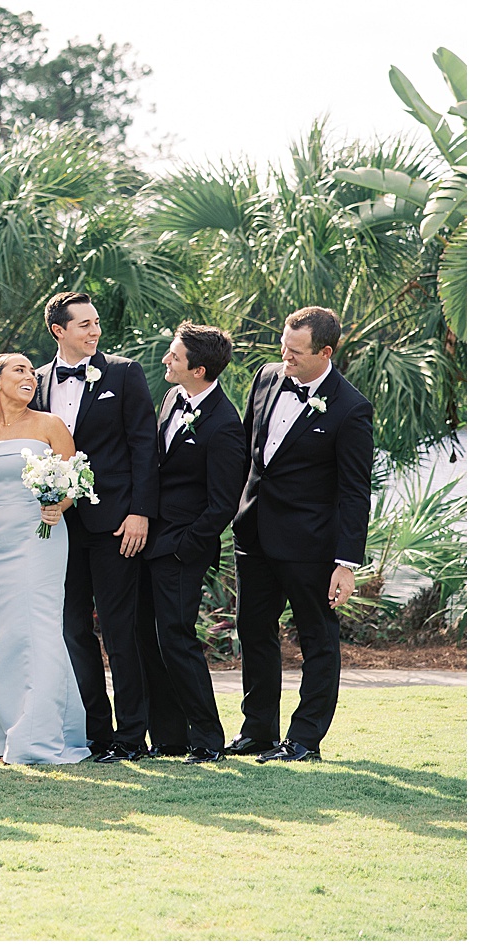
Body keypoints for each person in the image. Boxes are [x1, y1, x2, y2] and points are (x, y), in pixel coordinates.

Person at [229, 306, 373, 762]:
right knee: (253, 631)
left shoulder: (351, 409)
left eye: (295, 353)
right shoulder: (268, 377)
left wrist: (346, 563)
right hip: (252, 533)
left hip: (310, 545)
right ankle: (258, 732)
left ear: (325, 352)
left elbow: (354, 492)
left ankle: (305, 739)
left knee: (317, 639)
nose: (284, 358)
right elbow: (252, 453)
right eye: (283, 348)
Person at [30, 291, 158, 763]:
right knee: (73, 631)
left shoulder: (124, 373)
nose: (94, 331)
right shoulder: (37, 381)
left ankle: (131, 737)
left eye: (96, 323)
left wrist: (140, 512)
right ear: (58, 331)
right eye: (83, 324)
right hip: (59, 527)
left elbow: (144, 445)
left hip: (115, 524)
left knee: (121, 630)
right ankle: (96, 734)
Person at [0, 353, 92, 765]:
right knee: (3, 634)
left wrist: (61, 505)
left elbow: (76, 478)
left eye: (31, 372)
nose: (30, 377)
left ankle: (40, 734)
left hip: (43, 537)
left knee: (39, 630)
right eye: (18, 370)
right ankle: (1, 729)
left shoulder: (50, 425)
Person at [138, 322, 245, 763]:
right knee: (150, 639)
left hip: (182, 549)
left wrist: (184, 545)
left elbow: (222, 504)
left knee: (177, 639)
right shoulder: (171, 398)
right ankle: (169, 737)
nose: (166, 360)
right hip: (150, 542)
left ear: (198, 369)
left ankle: (206, 738)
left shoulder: (224, 424)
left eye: (174, 356)